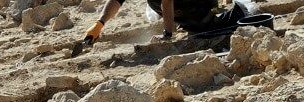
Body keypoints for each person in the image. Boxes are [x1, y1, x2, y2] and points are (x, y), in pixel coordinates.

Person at [84, 0, 245, 42]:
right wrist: (100, 23)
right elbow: (116, 1)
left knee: (204, 28)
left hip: (198, 5)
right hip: (178, 9)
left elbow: (167, 1)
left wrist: (167, 34)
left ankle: (238, 14)